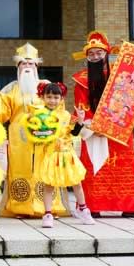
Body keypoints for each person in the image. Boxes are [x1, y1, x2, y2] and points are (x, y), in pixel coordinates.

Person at [72, 31, 134, 218]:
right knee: (93, 169)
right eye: (91, 54)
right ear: (87, 57)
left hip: (120, 130)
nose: (95, 57)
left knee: (126, 166)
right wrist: (94, 126)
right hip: (93, 132)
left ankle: (131, 207)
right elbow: (81, 106)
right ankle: (93, 206)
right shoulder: (81, 79)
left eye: (99, 53)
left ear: (106, 54)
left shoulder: (120, 74)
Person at [0, 43, 68, 217]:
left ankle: (49, 208)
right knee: (21, 170)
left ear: (36, 66)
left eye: (31, 64)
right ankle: (21, 207)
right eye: (23, 64)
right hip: (19, 140)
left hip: (46, 138)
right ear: (17, 67)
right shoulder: (10, 90)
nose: (27, 67)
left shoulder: (47, 87)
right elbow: (1, 115)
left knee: (46, 169)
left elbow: (59, 110)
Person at [24, 82, 94, 228]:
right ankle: (48, 214)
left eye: (56, 97)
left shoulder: (66, 115)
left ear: (61, 98)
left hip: (67, 155)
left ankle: (83, 209)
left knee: (76, 183)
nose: (52, 100)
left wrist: (80, 121)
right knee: (49, 185)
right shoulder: (39, 115)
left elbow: (74, 133)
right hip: (50, 155)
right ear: (42, 97)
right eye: (49, 97)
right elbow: (35, 134)